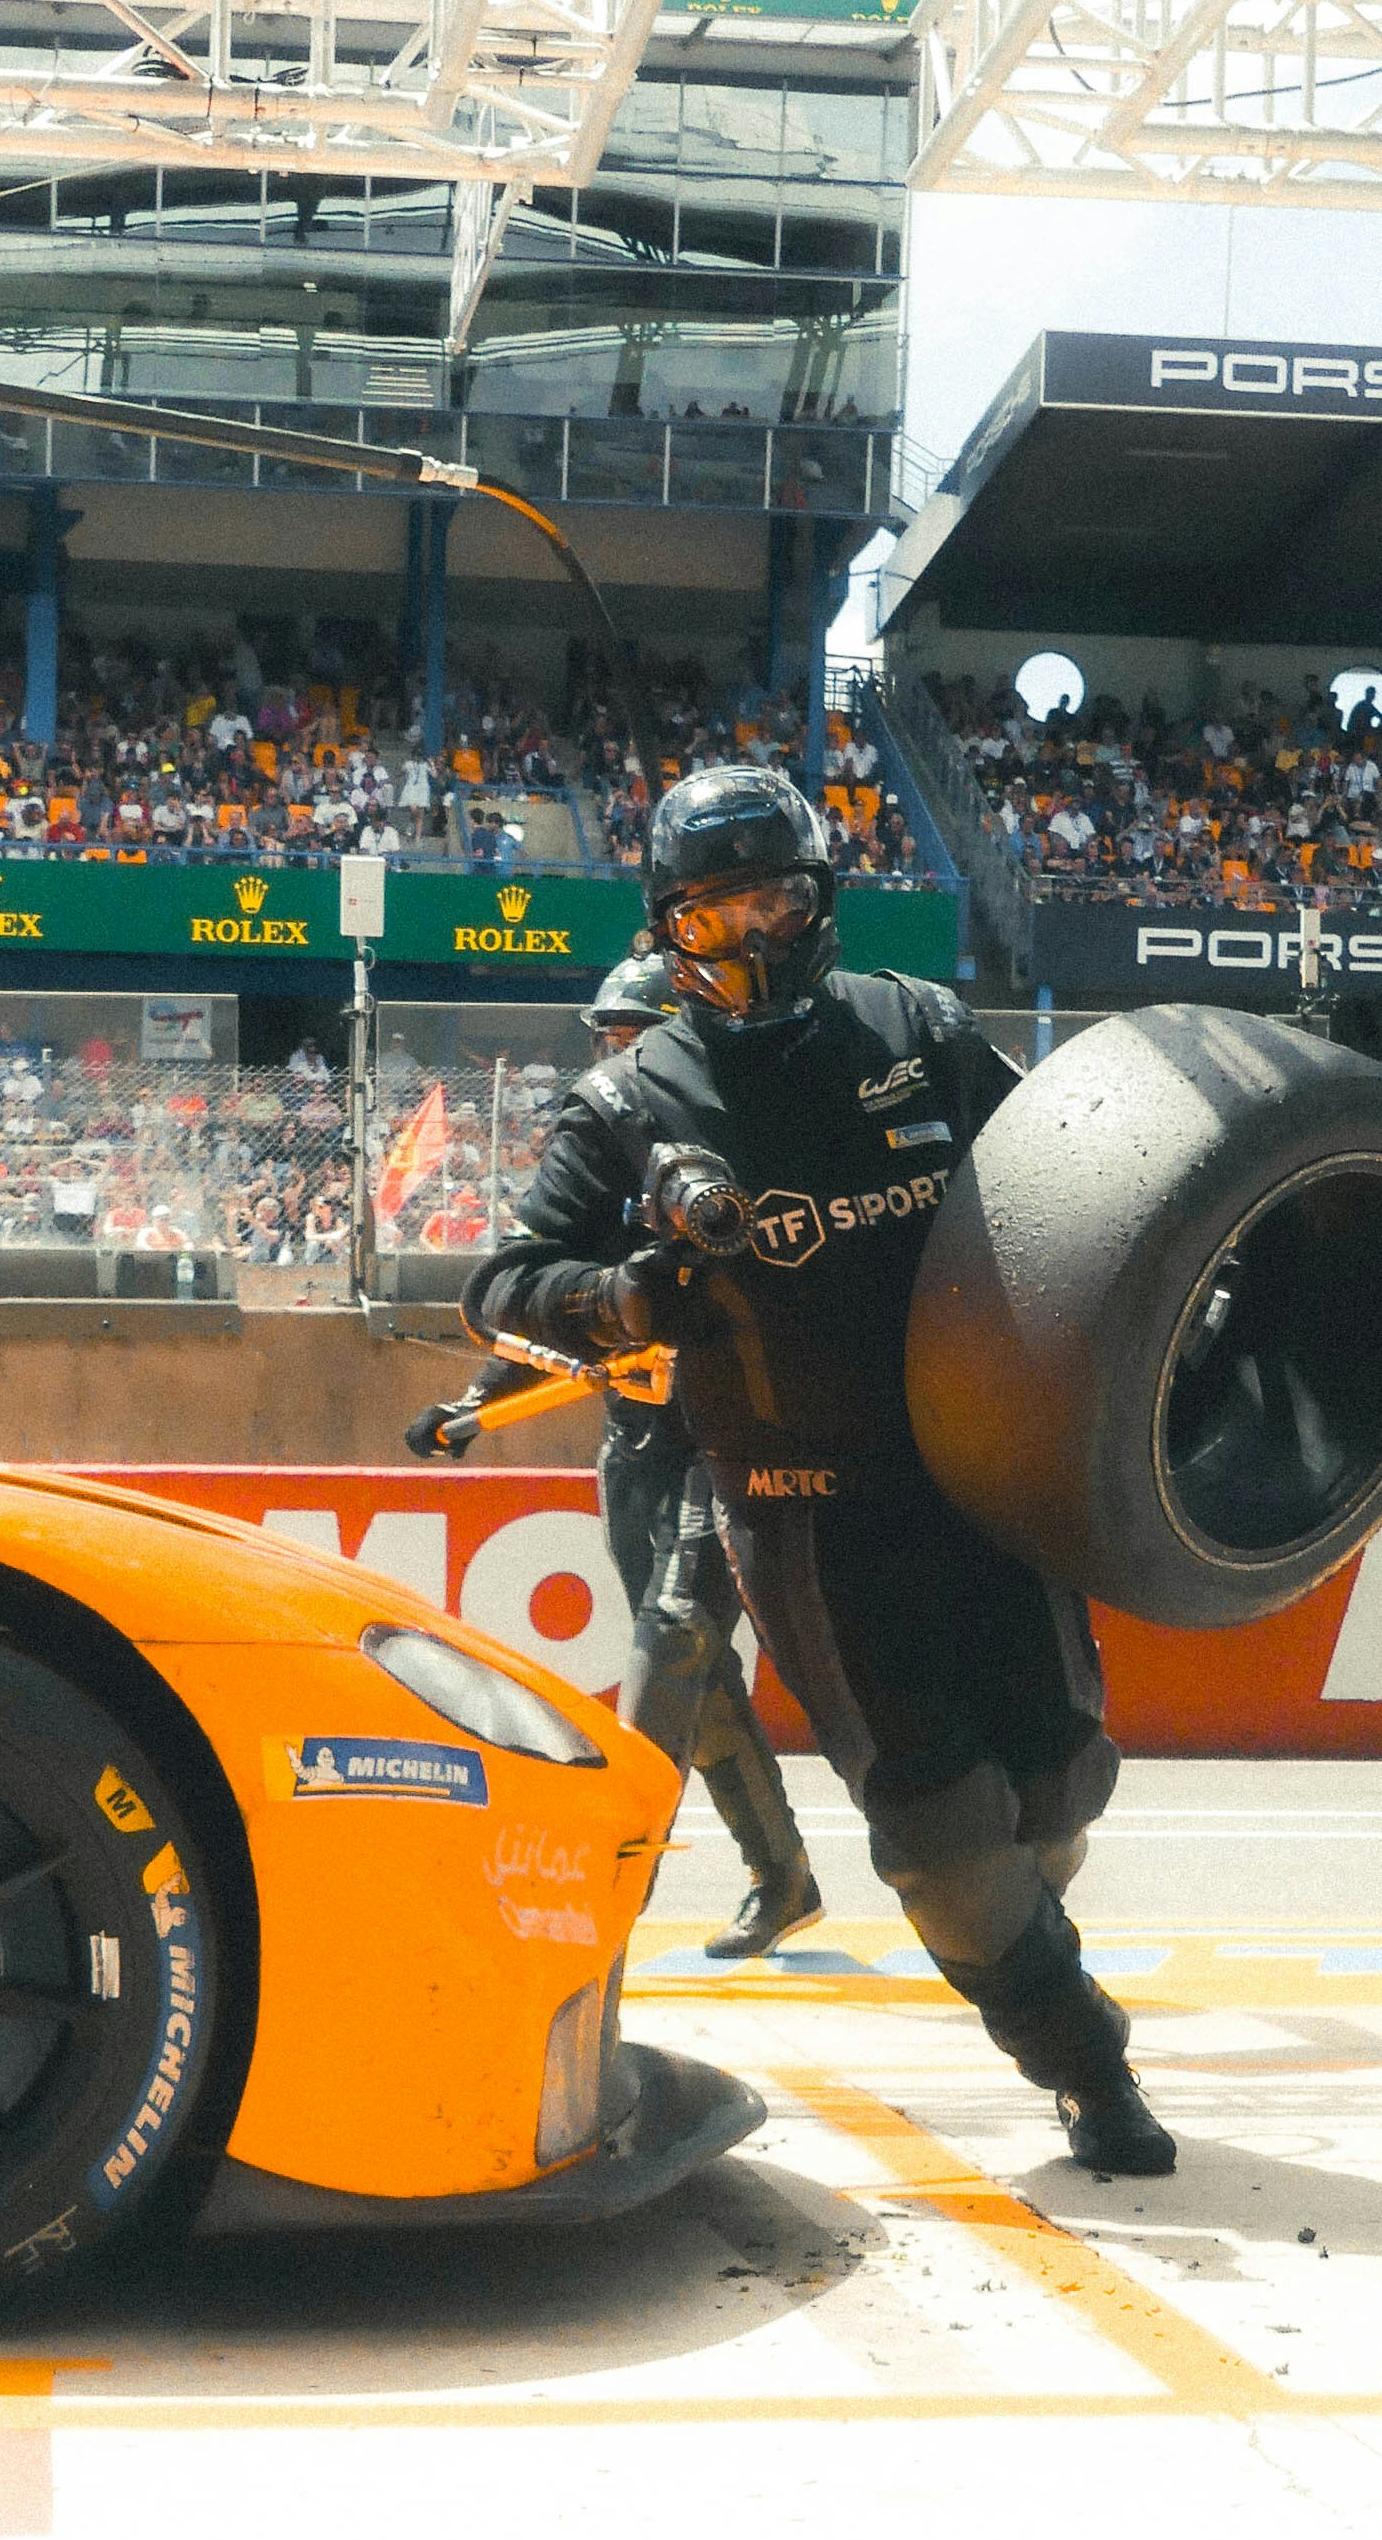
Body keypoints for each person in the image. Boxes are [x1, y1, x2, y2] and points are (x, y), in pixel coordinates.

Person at [459, 765, 1176, 2177]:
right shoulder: (623, 1104)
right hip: (804, 1517)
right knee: (942, 1839)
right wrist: (626, 1293)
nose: (750, 937)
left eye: (774, 902)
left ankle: (1029, 1955)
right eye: (711, 916)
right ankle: (1086, 2062)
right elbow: (498, 1288)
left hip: (982, 1475)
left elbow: (1075, 1175)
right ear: (667, 927)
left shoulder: (921, 1028)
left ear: (820, 899)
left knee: (1057, 1787)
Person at [406, 953, 818, 1960]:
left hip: (723, 1441)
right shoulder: (593, 1154)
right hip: (634, 1449)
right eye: (608, 1036)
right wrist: (473, 1406)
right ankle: (782, 1876)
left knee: (673, 1643)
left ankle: (610, 1902)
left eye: (634, 1035)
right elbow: (546, 1299)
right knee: (694, 1675)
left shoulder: (740, 1137)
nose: (616, 1056)